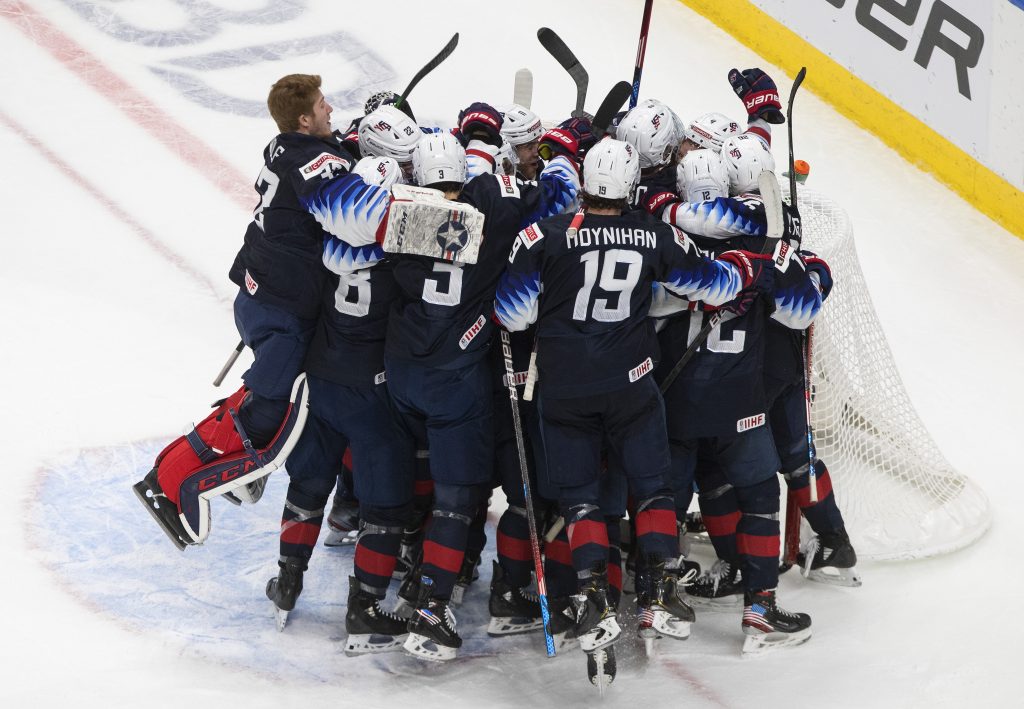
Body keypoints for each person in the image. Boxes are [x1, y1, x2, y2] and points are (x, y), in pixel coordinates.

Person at [494, 138, 765, 680]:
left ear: (587, 184)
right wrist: (749, 267)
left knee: (579, 498)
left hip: (566, 390)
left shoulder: (541, 235)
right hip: (632, 385)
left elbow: (512, 315)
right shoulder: (655, 233)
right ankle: (662, 588)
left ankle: (592, 593)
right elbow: (713, 287)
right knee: (653, 487)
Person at [132, 74, 379, 550]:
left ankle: (203, 472)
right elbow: (349, 196)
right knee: (268, 406)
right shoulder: (311, 160)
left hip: (260, 295)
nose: (332, 110)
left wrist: (355, 138)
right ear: (304, 118)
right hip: (279, 308)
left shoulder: (284, 146)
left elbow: (331, 157)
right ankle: (169, 480)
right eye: (324, 106)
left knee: (266, 398)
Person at [384, 104, 581, 662]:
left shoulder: (403, 217)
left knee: (420, 484)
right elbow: (556, 210)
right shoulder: (491, 208)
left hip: (403, 372)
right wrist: (560, 153)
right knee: (465, 496)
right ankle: (437, 604)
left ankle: (417, 569)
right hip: (463, 377)